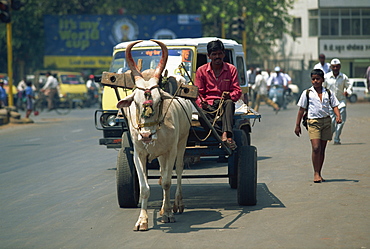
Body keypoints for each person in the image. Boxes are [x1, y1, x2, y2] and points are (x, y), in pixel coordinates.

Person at [295, 69, 342, 183]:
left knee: (322, 149)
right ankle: (315, 173)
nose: (315, 81)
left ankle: (319, 172)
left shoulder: (328, 92)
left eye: (318, 79)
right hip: (313, 122)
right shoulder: (307, 93)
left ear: (322, 80)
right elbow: (301, 110)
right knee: (316, 148)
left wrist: (338, 116)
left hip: (326, 122)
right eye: (313, 79)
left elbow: (335, 105)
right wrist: (297, 125)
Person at [195, 39, 242, 150]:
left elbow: (237, 91)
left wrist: (229, 96)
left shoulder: (231, 69)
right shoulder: (201, 71)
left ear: (223, 54)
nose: (217, 57)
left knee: (229, 103)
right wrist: (202, 103)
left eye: (220, 54)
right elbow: (198, 93)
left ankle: (227, 134)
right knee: (201, 115)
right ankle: (222, 136)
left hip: (224, 104)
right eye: (214, 54)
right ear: (209, 56)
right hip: (209, 105)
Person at [323, 58, 352, 145]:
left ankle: (337, 138)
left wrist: (348, 92)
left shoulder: (343, 77)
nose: (335, 68)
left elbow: (349, 86)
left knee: (341, 121)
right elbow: (323, 88)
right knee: (332, 121)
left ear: (340, 67)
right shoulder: (326, 77)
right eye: (333, 67)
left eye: (337, 67)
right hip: (330, 103)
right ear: (331, 67)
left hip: (341, 102)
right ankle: (330, 133)